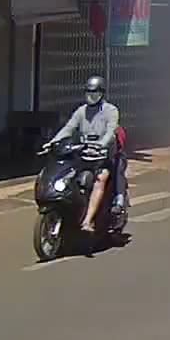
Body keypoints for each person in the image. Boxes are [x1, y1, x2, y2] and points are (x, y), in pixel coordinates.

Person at [47, 75, 120, 233]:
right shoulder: (81, 111)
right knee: (69, 177)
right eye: (88, 92)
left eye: (94, 92)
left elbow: (111, 131)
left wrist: (102, 144)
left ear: (102, 93)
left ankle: (88, 221)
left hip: (102, 157)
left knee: (100, 179)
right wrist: (53, 141)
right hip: (83, 155)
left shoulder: (111, 110)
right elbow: (69, 128)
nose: (91, 95)